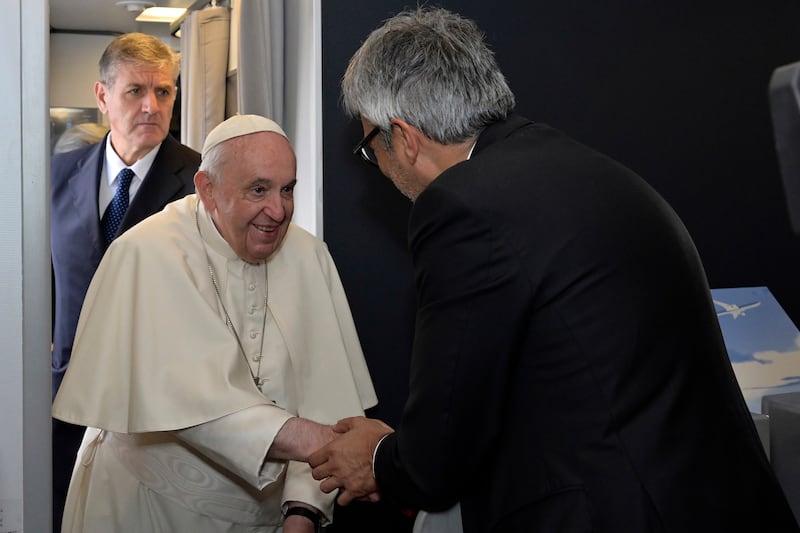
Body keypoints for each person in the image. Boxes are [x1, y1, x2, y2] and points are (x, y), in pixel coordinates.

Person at [309, 7, 800, 533]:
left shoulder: (462, 206)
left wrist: (382, 455)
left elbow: (441, 452)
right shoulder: (575, 167)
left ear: (403, 136)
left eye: (369, 148)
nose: (379, 168)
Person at [52, 114, 378, 532]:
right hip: (148, 506)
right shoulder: (146, 253)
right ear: (208, 190)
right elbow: (199, 410)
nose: (277, 210)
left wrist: (304, 509)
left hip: (263, 519)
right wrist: (341, 447)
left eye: (287, 189)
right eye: (258, 189)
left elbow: (325, 395)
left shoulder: (307, 255)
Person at [50, 32, 201, 530]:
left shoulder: (201, 180)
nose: (151, 106)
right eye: (135, 91)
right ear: (102, 96)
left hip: (160, 404)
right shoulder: (56, 174)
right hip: (68, 393)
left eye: (164, 92)